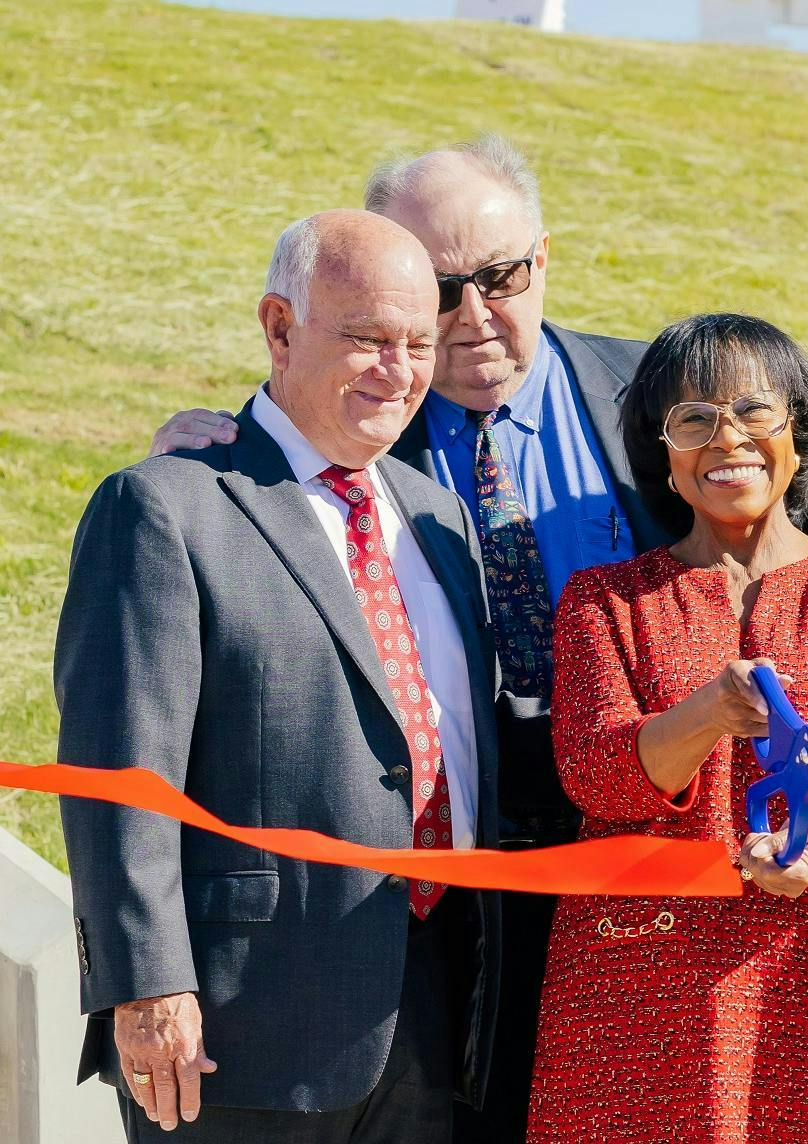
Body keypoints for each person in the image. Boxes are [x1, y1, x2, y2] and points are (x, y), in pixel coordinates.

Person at [141, 137, 808, 1140]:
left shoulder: (655, 393)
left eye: (502, 276)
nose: (472, 315)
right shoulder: (360, 428)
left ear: (543, 258)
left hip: (658, 863)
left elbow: (802, 488)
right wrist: (208, 445)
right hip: (452, 894)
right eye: (438, 289)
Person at [56, 210, 501, 1142]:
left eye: (419, 344)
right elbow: (117, 772)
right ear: (280, 328)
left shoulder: (439, 519)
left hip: (433, 1009)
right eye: (368, 338)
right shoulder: (168, 505)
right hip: (237, 1027)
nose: (399, 371)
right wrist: (147, 984)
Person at [525, 313, 808, 1142]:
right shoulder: (603, 603)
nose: (728, 438)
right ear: (662, 453)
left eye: (754, 410)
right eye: (692, 419)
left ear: (799, 431)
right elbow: (594, 771)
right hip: (641, 988)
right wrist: (704, 715)